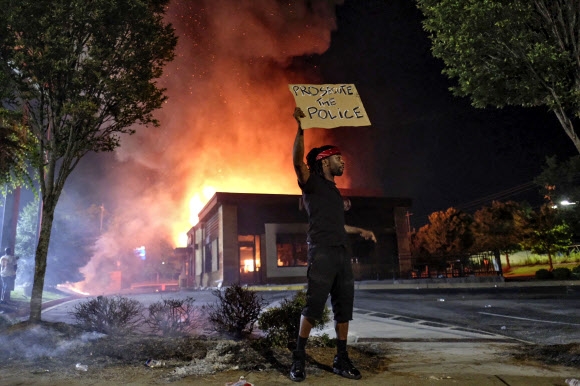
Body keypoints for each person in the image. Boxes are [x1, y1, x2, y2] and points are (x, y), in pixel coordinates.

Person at [290, 107, 377, 382]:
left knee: (344, 309)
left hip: (341, 252)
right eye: (339, 158)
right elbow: (297, 163)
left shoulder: (336, 193)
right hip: (322, 252)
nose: (343, 162)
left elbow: (337, 225)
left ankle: (341, 359)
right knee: (314, 307)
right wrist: (301, 128)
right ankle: (299, 359)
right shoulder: (312, 184)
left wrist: (360, 230)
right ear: (326, 161)